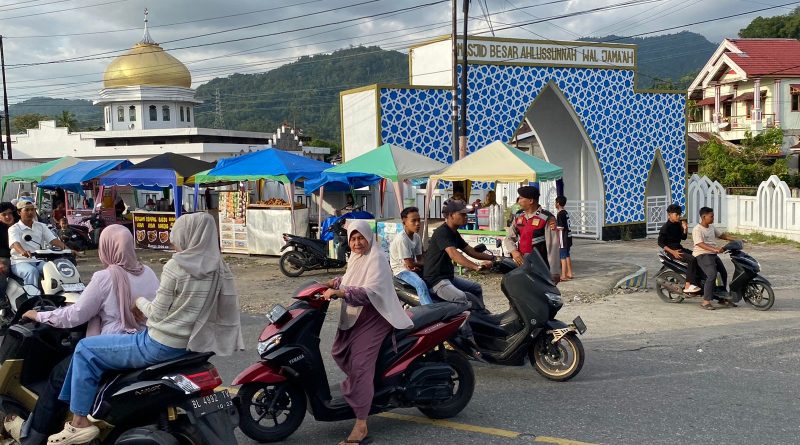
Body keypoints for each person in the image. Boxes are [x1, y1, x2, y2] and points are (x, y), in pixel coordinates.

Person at [48, 213, 244, 444]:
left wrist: (138, 303)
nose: (173, 238)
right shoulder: (219, 267)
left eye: (177, 232)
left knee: (84, 349)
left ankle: (79, 422)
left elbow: (157, 313)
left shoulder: (176, 266)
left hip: (160, 344)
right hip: (193, 344)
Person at [2, 225, 160, 445]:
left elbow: (75, 315)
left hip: (112, 345)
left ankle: (33, 437)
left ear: (107, 247)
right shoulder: (149, 273)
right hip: (145, 339)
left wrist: (39, 316)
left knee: (58, 375)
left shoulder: (105, 277)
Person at [321, 220, 413, 445]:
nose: (356, 242)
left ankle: (361, 425)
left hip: (375, 317)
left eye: (360, 237)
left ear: (368, 237)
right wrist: (330, 283)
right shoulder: (356, 257)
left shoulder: (378, 258)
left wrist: (341, 293)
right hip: (356, 316)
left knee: (360, 366)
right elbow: (350, 279)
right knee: (338, 351)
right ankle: (367, 386)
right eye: (352, 239)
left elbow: (370, 291)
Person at [424, 199, 493, 316]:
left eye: (466, 214)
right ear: (451, 215)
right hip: (436, 280)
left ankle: (483, 318)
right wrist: (476, 266)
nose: (466, 217)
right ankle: (466, 332)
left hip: (448, 277)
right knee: (461, 298)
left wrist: (493, 258)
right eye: (463, 214)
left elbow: (470, 250)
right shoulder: (442, 232)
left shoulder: (454, 232)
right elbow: (453, 254)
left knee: (476, 288)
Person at [503, 186, 561, 283]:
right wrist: (514, 252)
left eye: (521, 198)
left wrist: (554, 272)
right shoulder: (518, 216)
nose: (519, 201)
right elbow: (509, 237)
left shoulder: (547, 218)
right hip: (522, 265)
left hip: (541, 266)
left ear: (530, 200)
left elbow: (553, 246)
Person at [8, 201, 68, 286]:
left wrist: (68, 249)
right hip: (19, 262)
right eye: (27, 210)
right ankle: (33, 298)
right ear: (19, 212)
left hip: (37, 260)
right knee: (31, 271)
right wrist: (23, 252)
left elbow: (53, 240)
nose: (30, 212)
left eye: (33, 210)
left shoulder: (41, 226)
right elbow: (15, 243)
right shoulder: (14, 228)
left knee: (54, 269)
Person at [692, 206, 737, 310]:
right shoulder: (697, 229)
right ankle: (706, 301)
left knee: (723, 273)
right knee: (712, 275)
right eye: (711, 216)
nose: (713, 218)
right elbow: (700, 244)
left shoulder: (711, 227)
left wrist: (734, 240)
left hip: (712, 254)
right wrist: (715, 249)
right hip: (702, 254)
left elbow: (721, 235)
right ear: (704, 217)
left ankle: (722, 298)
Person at [389, 207, 432, 305]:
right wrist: (417, 264)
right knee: (420, 284)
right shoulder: (402, 239)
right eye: (413, 221)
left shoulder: (416, 236)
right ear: (404, 222)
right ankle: (429, 310)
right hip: (401, 271)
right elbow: (409, 264)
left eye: (418, 220)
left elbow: (420, 258)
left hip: (410, 268)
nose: (417, 223)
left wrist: (418, 264)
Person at [658, 204, 701, 293]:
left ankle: (698, 280)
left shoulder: (678, 225)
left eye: (679, 214)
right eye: (676, 214)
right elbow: (660, 243)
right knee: (691, 259)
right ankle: (688, 285)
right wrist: (673, 252)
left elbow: (683, 238)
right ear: (669, 214)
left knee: (698, 255)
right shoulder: (665, 228)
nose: (678, 216)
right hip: (671, 251)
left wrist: (685, 229)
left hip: (679, 248)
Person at [555, 196, 574, 281]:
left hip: (563, 237)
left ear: (558, 203)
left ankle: (563, 275)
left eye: (555, 202)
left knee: (562, 256)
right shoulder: (565, 212)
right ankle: (569, 273)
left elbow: (560, 227)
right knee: (567, 255)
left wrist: (554, 227)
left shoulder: (560, 214)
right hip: (568, 236)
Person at [0, 202, 17, 299]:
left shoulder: (21, 225)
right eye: (4, 214)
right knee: (1, 270)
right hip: (4, 259)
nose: (7, 216)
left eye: (10, 213)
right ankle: (1, 301)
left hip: (23, 258)